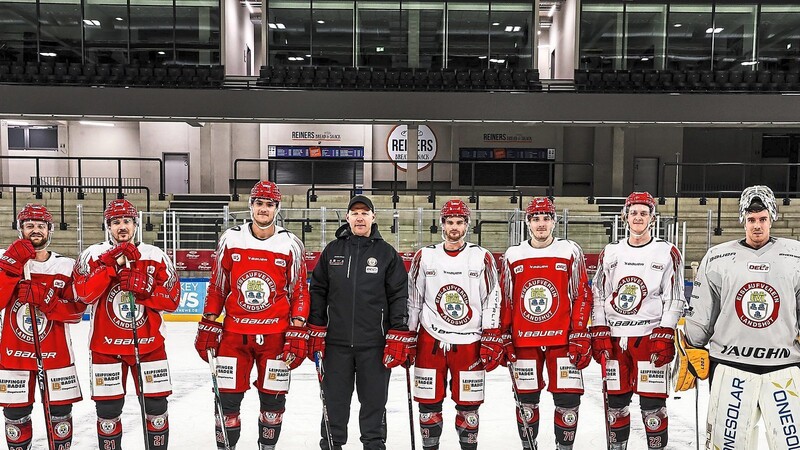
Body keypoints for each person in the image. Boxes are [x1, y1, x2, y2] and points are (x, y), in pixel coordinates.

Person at [194, 180, 309, 450]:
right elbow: (218, 286)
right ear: (250, 206)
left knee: (273, 400)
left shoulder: (291, 244)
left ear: (277, 208)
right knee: (227, 400)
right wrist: (208, 323)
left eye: (269, 204)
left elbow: (300, 292)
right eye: (259, 203)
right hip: (234, 336)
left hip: (276, 338)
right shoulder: (231, 238)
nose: (264, 209)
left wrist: (298, 327)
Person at [683, 185, 800, 450]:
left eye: (762, 219)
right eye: (751, 220)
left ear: (772, 219)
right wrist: (692, 344)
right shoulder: (717, 257)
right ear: (742, 220)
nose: (757, 226)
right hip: (730, 366)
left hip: (784, 368)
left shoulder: (796, 255)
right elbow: (701, 316)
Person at [308, 194, 413, 450]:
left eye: (364, 213)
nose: (359, 217)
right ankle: (332, 445)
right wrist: (316, 329)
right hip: (336, 345)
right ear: (347, 218)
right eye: (354, 213)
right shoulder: (332, 251)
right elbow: (318, 291)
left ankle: (374, 445)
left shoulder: (386, 254)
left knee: (374, 403)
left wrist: (397, 333)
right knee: (334, 403)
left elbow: (399, 295)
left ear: (373, 218)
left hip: (374, 346)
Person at [74, 198, 180, 450]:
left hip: (149, 345)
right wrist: (112, 265)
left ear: (136, 224)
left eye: (127, 221)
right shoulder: (91, 255)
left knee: (156, 407)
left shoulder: (155, 255)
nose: (122, 227)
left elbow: (173, 299)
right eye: (116, 222)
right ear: (107, 226)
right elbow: (83, 295)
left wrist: (146, 289)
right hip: (105, 348)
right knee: (108, 410)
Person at [590, 191, 684, 450]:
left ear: (652, 218)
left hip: (650, 338)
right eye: (634, 213)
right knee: (616, 403)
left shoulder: (667, 252)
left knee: (653, 406)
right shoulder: (611, 252)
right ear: (625, 217)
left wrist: (665, 333)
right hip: (615, 339)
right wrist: (599, 330)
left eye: (644, 213)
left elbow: (675, 297)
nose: (638, 217)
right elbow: (598, 294)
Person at [407, 199, 501, 450]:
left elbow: (492, 298)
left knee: (469, 406)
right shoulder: (425, 256)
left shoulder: (482, 257)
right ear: (442, 224)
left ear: (467, 225)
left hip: (469, 341)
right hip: (431, 340)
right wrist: (408, 336)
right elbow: (414, 301)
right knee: (428, 404)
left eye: (459, 222)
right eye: (450, 222)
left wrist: (491, 335)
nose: (454, 227)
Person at [499, 197, 592, 450]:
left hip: (562, 341)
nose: (541, 224)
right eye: (535, 218)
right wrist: (503, 334)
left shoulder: (570, 250)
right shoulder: (513, 255)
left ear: (554, 221)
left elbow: (581, 294)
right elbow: (505, 299)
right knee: (526, 402)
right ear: (527, 222)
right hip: (524, 342)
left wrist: (580, 332)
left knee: (568, 400)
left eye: (546, 218)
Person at [0, 204, 85, 450]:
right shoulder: (4, 259)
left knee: (60, 416)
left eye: (40, 226)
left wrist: (48, 301)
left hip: (56, 357)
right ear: (20, 230)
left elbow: (76, 313)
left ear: (50, 231)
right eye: (29, 226)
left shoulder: (66, 265)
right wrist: (10, 268)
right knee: (16, 418)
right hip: (14, 356)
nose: (35, 231)